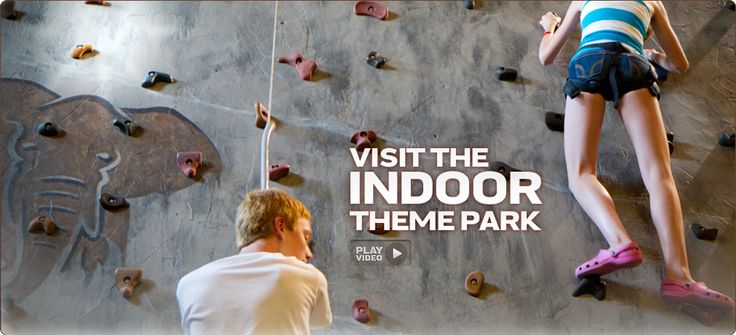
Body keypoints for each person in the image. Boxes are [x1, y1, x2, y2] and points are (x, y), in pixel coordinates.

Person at [537, 1, 734, 325]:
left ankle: (619, 243)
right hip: (634, 63)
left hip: (590, 60)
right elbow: (680, 64)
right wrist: (654, 56)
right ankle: (678, 275)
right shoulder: (652, 2)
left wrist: (549, 26)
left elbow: (546, 56)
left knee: (582, 172)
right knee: (660, 177)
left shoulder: (583, 1)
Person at [176, 189, 332, 334]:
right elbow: (320, 321)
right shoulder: (308, 277)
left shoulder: (188, 284)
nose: (309, 253)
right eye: (304, 237)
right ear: (281, 226)